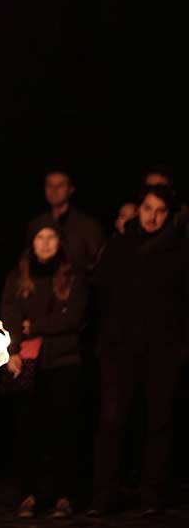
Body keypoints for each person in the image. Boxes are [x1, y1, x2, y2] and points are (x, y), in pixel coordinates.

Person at [89, 185, 188, 516]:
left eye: (160, 210)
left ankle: (151, 495)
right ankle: (104, 495)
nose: (152, 216)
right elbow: (100, 288)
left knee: (158, 422)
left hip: (162, 350)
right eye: (147, 208)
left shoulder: (178, 250)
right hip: (120, 349)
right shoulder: (121, 244)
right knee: (112, 421)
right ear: (138, 208)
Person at [0, 224, 87, 519]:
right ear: (31, 242)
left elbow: (73, 317)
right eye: (40, 237)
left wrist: (35, 325)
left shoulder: (72, 276)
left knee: (64, 430)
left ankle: (64, 494)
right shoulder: (19, 275)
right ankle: (30, 493)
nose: (46, 243)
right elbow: (11, 313)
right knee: (29, 431)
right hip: (30, 361)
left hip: (64, 361)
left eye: (52, 237)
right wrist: (12, 350)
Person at [26, 168, 104, 274]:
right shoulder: (36, 225)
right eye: (50, 185)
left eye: (60, 185)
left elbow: (98, 264)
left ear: (71, 189)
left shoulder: (88, 226)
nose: (54, 190)